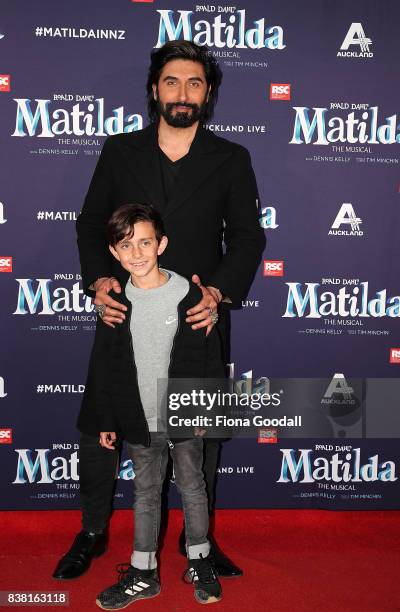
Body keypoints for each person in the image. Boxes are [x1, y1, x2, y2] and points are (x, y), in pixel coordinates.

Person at [53, 39, 265, 582]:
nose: (183, 92)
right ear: (155, 89)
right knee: (106, 421)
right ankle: (94, 530)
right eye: (172, 81)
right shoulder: (120, 150)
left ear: (208, 93)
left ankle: (200, 539)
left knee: (198, 433)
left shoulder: (231, 158)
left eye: (195, 83)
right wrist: (100, 279)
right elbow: (89, 224)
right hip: (125, 314)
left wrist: (216, 293)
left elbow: (246, 237)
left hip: (199, 317)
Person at [81, 203, 224, 607]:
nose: (137, 253)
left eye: (145, 242)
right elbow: (105, 366)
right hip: (138, 419)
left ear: (162, 243)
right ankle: (144, 573)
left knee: (193, 487)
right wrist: (106, 418)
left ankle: (200, 560)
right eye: (126, 245)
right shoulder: (114, 302)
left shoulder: (190, 296)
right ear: (114, 252)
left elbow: (210, 359)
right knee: (145, 493)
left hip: (184, 416)